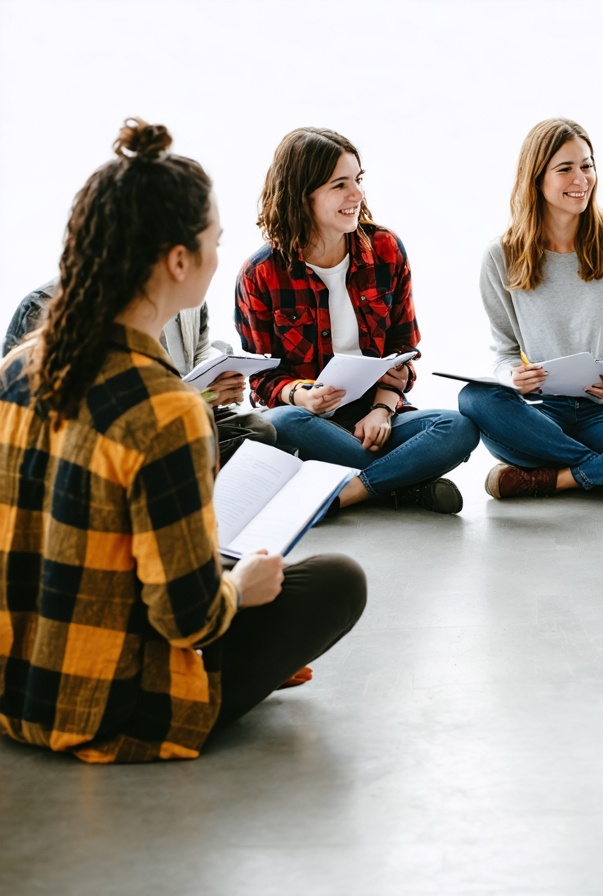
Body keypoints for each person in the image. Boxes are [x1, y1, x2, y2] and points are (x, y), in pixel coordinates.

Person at [0, 119, 366, 763]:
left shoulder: (19, 366)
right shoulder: (167, 411)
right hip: (106, 710)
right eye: (214, 242)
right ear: (178, 261)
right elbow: (186, 618)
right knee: (334, 579)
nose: (219, 255)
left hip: (10, 683)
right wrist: (242, 587)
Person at [235, 127, 478, 514]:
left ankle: (348, 491)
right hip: (310, 424)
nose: (357, 195)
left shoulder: (385, 250)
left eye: (359, 180)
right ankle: (403, 486)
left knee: (459, 428)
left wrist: (382, 409)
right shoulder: (260, 273)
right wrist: (303, 395)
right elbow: (262, 380)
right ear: (304, 194)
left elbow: (403, 352)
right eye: (340, 184)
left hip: (374, 421)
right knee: (281, 423)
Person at [456, 118, 603, 501]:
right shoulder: (501, 256)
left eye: (587, 165)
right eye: (565, 169)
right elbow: (503, 352)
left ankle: (558, 478)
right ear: (536, 178)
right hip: (539, 414)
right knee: (474, 398)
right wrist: (512, 377)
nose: (581, 178)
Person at [5, 285, 275, 464]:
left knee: (259, 431)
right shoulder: (45, 306)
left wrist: (217, 381)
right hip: (100, 434)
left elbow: (199, 352)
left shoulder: (188, 296)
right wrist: (194, 400)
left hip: (173, 409)